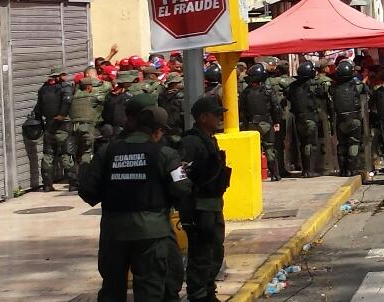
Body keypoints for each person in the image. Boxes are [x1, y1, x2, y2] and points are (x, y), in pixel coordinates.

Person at [78, 106, 191, 302]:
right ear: (158, 131)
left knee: (111, 290)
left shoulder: (107, 151)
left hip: (114, 232)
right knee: (150, 290)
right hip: (152, 233)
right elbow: (183, 189)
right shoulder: (166, 154)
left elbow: (88, 191)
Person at [179, 96, 232, 302]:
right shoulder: (191, 141)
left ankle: (208, 291)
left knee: (214, 252)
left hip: (212, 204)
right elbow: (181, 174)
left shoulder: (209, 138)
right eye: (215, 114)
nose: (220, 117)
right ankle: (199, 295)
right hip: (199, 207)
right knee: (201, 254)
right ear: (202, 117)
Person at [239, 64, 282, 181]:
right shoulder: (268, 90)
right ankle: (275, 174)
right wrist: (277, 122)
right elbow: (276, 107)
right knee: (269, 149)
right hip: (266, 123)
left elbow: (242, 110)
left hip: (251, 124)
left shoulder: (245, 92)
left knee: (254, 151)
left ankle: (255, 175)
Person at [33, 67, 73, 191]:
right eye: (64, 74)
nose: (66, 76)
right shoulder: (65, 88)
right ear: (60, 75)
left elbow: (38, 108)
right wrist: (61, 115)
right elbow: (67, 102)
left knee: (48, 155)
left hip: (49, 125)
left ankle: (47, 184)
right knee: (66, 153)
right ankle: (74, 183)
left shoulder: (43, 89)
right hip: (63, 125)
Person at [288, 61, 327, 178]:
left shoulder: (293, 86)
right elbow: (323, 94)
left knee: (302, 144)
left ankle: (305, 169)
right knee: (310, 144)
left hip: (298, 118)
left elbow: (288, 96)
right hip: (310, 117)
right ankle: (309, 170)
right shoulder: (313, 85)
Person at [330, 61, 368, 176]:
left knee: (342, 144)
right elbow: (367, 93)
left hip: (340, 119)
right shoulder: (358, 85)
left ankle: (343, 170)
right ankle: (352, 169)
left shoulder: (333, 87)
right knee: (354, 143)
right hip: (355, 118)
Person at [69, 68, 108, 171]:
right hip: (86, 127)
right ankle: (84, 175)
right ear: (88, 87)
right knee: (87, 152)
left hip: (73, 128)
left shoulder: (73, 96)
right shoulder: (92, 97)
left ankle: (74, 177)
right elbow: (106, 98)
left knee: (77, 152)